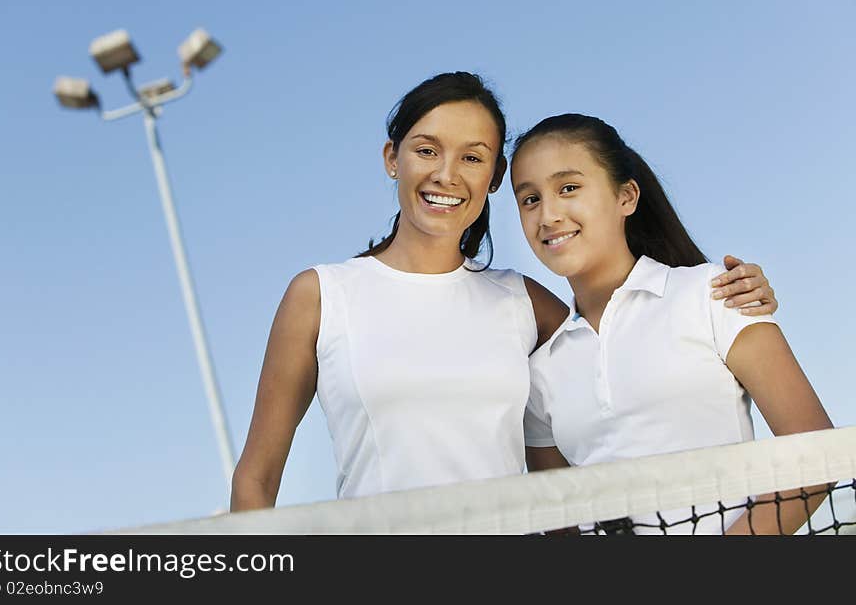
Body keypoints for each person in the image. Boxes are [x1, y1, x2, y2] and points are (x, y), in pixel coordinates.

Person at [230, 72, 776, 512]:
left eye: (472, 157)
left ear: (493, 178)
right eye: (426, 150)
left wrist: (731, 297)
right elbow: (255, 480)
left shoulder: (525, 303)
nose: (446, 175)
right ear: (392, 159)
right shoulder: (322, 294)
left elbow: (623, 353)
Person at [511, 113, 832, 534]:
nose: (548, 214)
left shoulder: (714, 294)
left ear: (626, 197)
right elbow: (557, 519)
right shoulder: (540, 371)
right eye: (530, 199)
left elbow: (817, 455)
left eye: (568, 188)